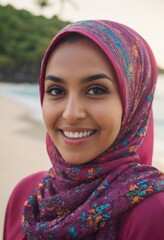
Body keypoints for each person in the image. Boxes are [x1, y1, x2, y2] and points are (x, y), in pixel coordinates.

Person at [3, 20, 164, 240]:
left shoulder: (154, 215)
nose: (71, 113)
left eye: (96, 90)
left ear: (133, 101)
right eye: (56, 90)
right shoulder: (27, 196)